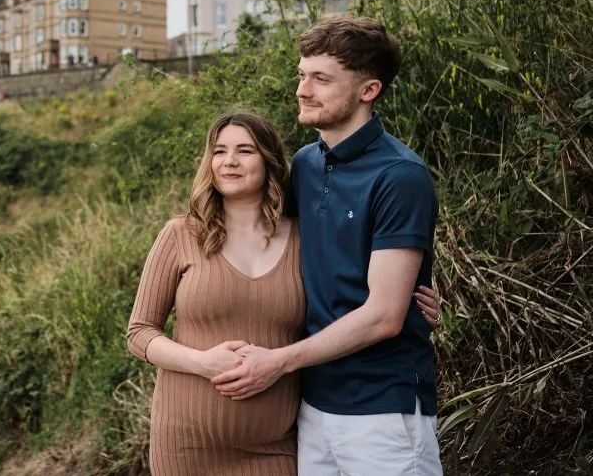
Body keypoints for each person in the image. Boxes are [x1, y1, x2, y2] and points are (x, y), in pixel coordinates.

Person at [127, 111, 440, 475]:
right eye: (218, 151)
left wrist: (414, 306)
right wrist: (203, 362)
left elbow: (348, 292)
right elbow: (139, 333)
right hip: (188, 443)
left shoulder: (302, 238)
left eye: (245, 151)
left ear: (270, 162)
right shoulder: (180, 235)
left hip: (277, 446)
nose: (229, 162)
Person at [210, 16, 442, 474]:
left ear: (368, 90)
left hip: (382, 409)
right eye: (301, 75)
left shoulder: (399, 176)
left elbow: (383, 316)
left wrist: (278, 362)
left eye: (321, 79)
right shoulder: (306, 164)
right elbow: (269, 250)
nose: (302, 89)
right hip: (313, 404)